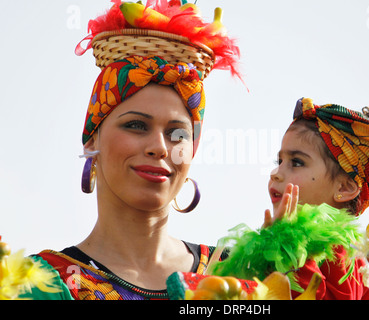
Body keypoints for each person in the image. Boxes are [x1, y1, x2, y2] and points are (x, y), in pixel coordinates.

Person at [19, 0, 241, 300]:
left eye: (177, 134)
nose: (159, 148)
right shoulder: (37, 285)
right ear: (92, 139)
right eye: (136, 126)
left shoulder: (236, 277)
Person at [264, 97, 369, 299]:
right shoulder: (272, 236)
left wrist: (289, 246)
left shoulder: (345, 256)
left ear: (344, 187)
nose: (276, 173)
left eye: (297, 162)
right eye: (280, 160)